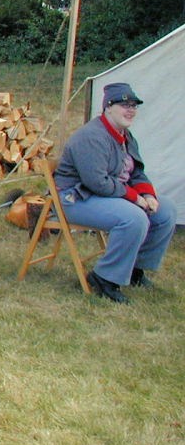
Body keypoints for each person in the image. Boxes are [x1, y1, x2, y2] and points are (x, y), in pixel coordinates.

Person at [54, 82, 176, 303]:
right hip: (76, 198)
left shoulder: (126, 136)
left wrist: (148, 195)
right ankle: (104, 278)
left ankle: (135, 269)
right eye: (124, 105)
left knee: (166, 211)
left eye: (134, 106)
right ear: (108, 107)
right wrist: (135, 198)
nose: (131, 110)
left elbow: (137, 172)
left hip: (105, 195)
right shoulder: (91, 136)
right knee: (133, 218)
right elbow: (96, 182)